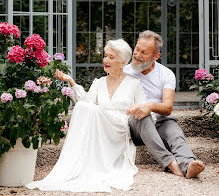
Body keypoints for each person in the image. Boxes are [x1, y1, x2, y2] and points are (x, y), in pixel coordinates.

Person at [26, 39, 182, 193]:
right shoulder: (99, 82)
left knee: (92, 109)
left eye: (111, 57)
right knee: (84, 107)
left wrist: (135, 109)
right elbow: (86, 105)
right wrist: (71, 82)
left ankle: (171, 162)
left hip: (121, 129)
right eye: (105, 56)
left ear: (122, 62)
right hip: (101, 130)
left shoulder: (133, 83)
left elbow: (146, 113)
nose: (106, 60)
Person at [124, 30, 205, 179]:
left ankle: (188, 165)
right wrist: (144, 108)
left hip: (160, 122)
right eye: (137, 49)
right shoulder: (125, 71)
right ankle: (170, 163)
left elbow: (167, 108)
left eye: (144, 52)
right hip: (134, 124)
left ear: (156, 56)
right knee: (143, 114)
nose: (137, 55)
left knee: (175, 134)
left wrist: (149, 106)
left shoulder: (166, 74)